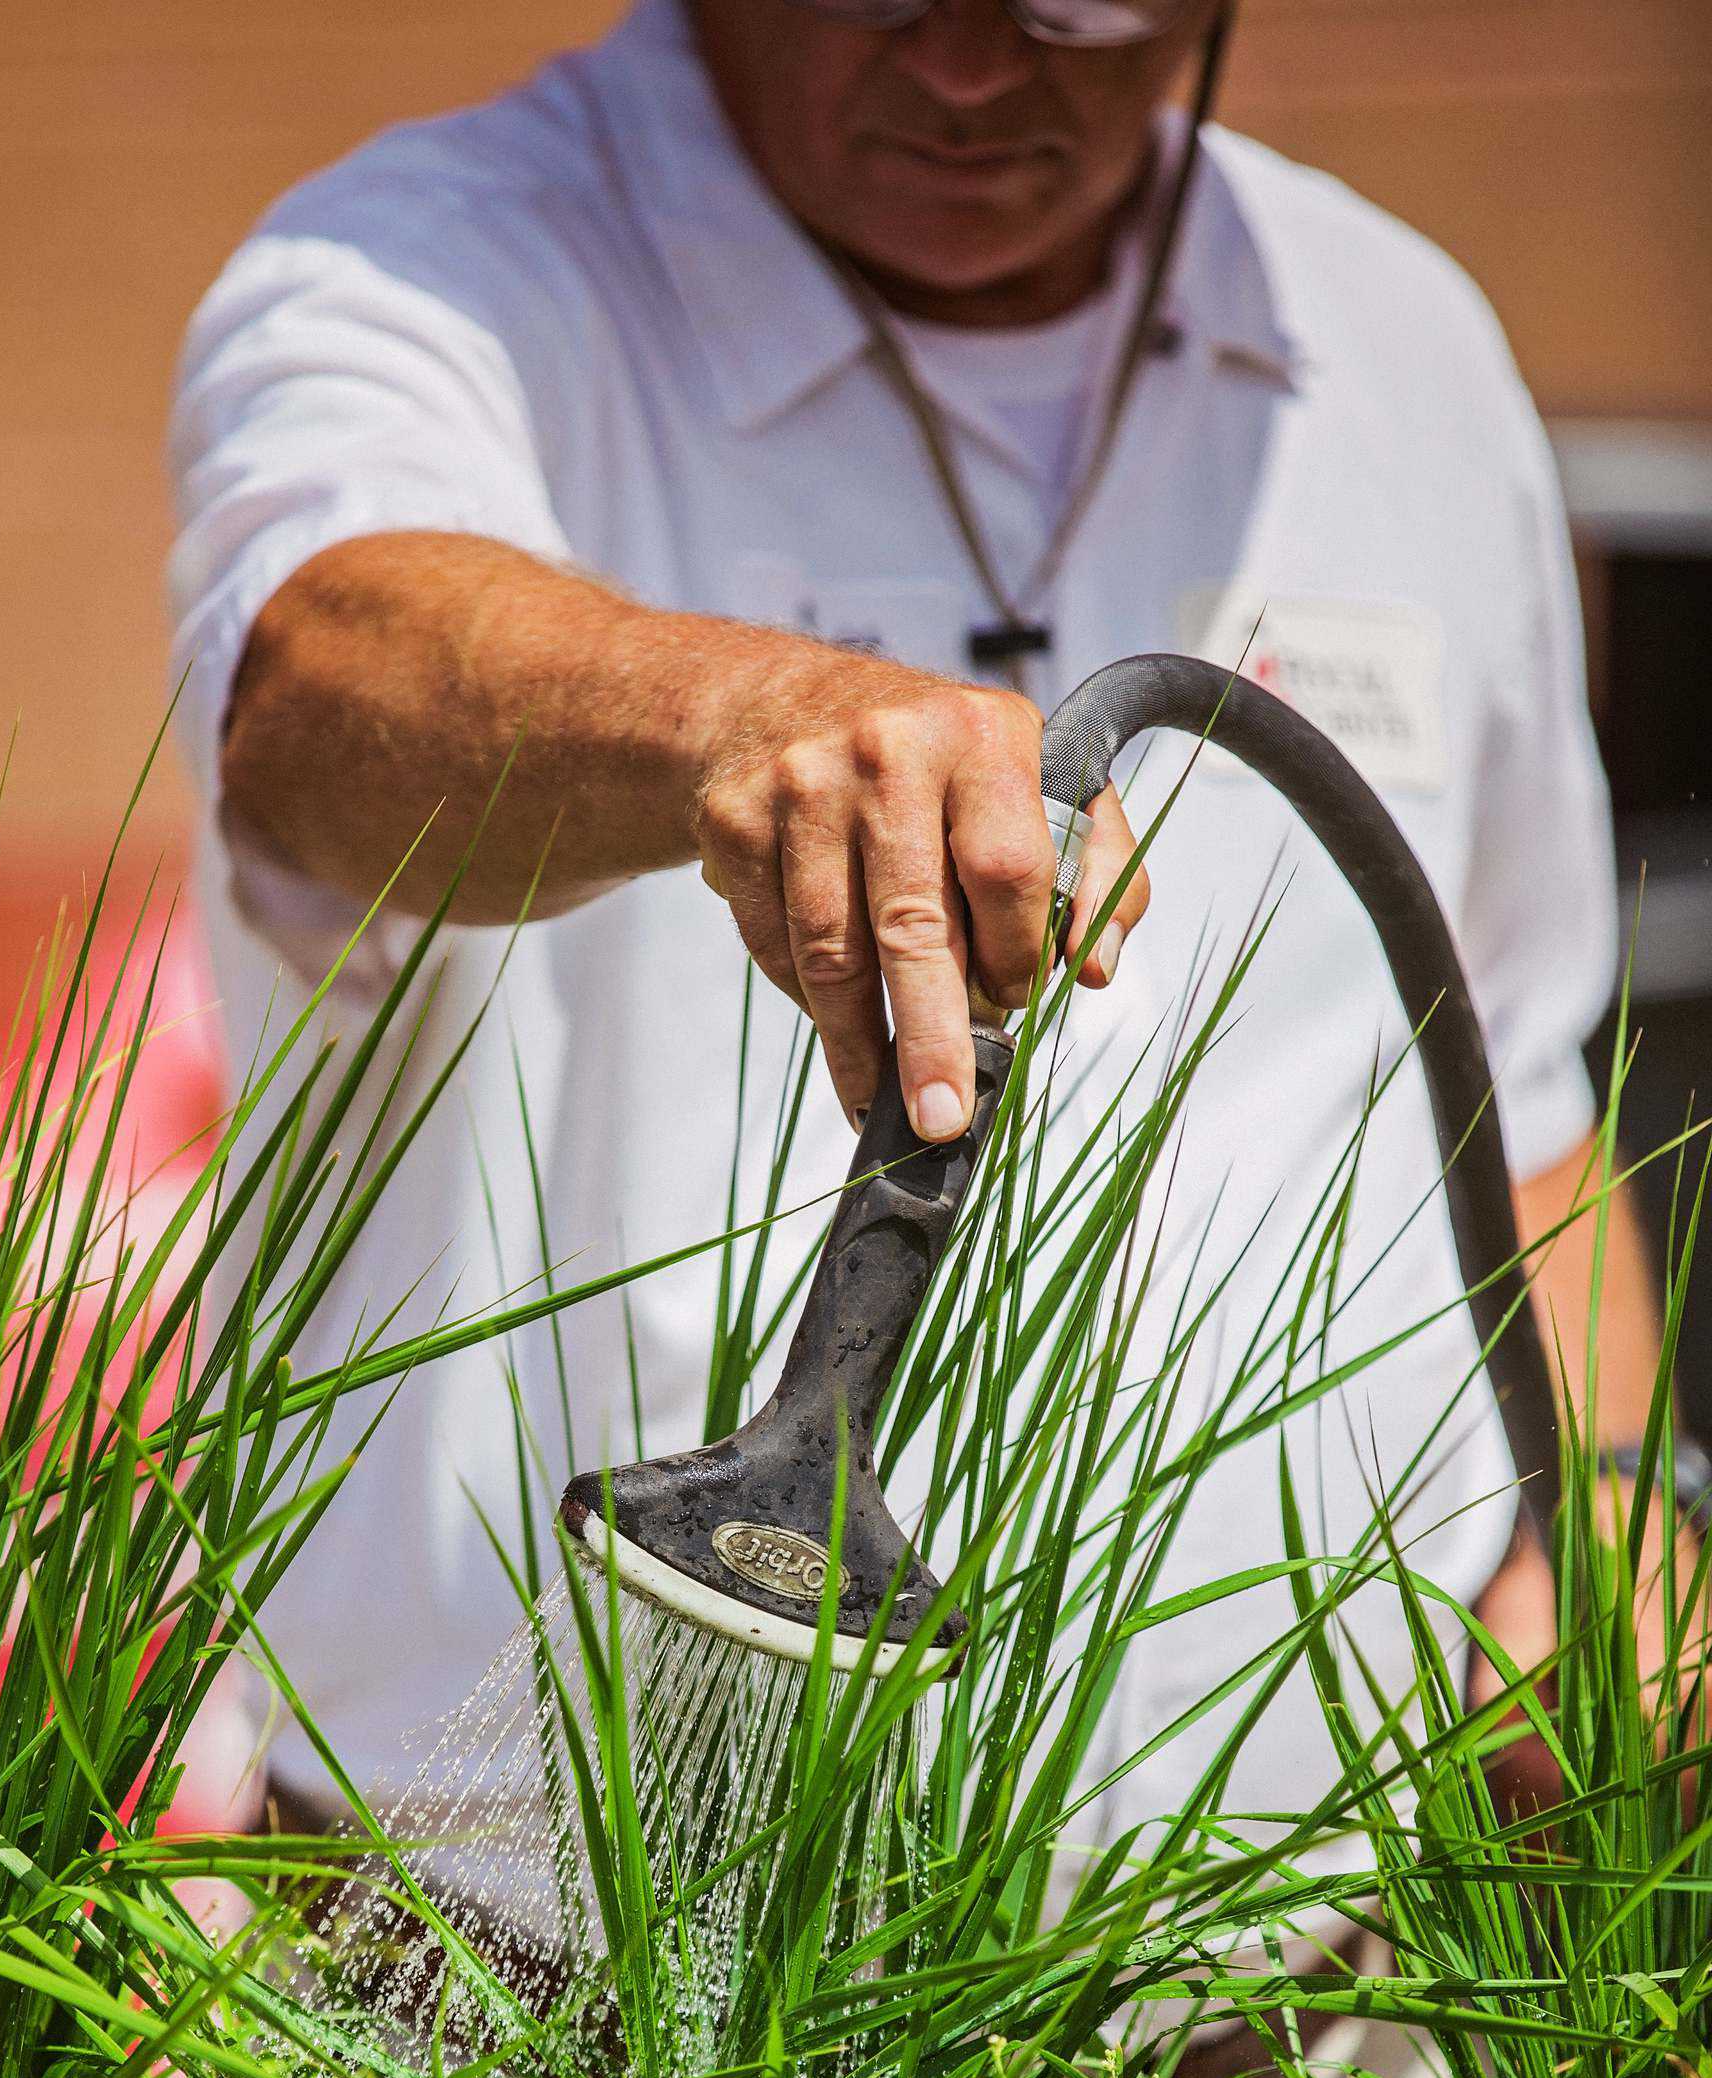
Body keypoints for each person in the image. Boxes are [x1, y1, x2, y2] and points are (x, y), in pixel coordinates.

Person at [169, 0, 1677, 1851]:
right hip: (525, 2021)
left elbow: (1513, 1111)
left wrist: (1609, 1502)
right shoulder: (434, 277)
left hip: (1324, 2007)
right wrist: (721, 719)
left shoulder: (1399, 350)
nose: (972, 70)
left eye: (1076, 2)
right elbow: (323, 686)